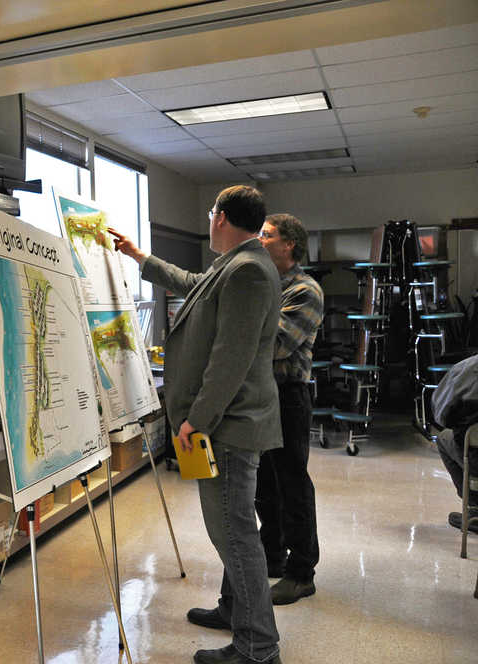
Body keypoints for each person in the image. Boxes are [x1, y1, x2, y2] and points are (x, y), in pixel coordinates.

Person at [111, 185, 283, 664]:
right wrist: (139, 256)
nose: (209, 220)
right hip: (228, 422)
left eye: (211, 213)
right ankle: (235, 610)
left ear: (222, 217)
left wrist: (196, 421)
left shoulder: (247, 270)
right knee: (234, 527)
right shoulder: (234, 265)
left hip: (228, 426)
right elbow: (191, 282)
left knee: (234, 533)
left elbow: (231, 360)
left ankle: (258, 648)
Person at [253, 214, 324, 606]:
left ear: (289, 245)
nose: (259, 240)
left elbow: (275, 345)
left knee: (293, 485)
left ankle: (302, 573)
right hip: (262, 397)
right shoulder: (268, 285)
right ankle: (273, 556)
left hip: (288, 397)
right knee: (265, 484)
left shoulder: (304, 290)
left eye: (267, 235)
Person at [431, 353, 478, 532]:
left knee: (444, 437)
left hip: (475, 458)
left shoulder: (467, 369)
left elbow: (441, 414)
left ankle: (474, 508)